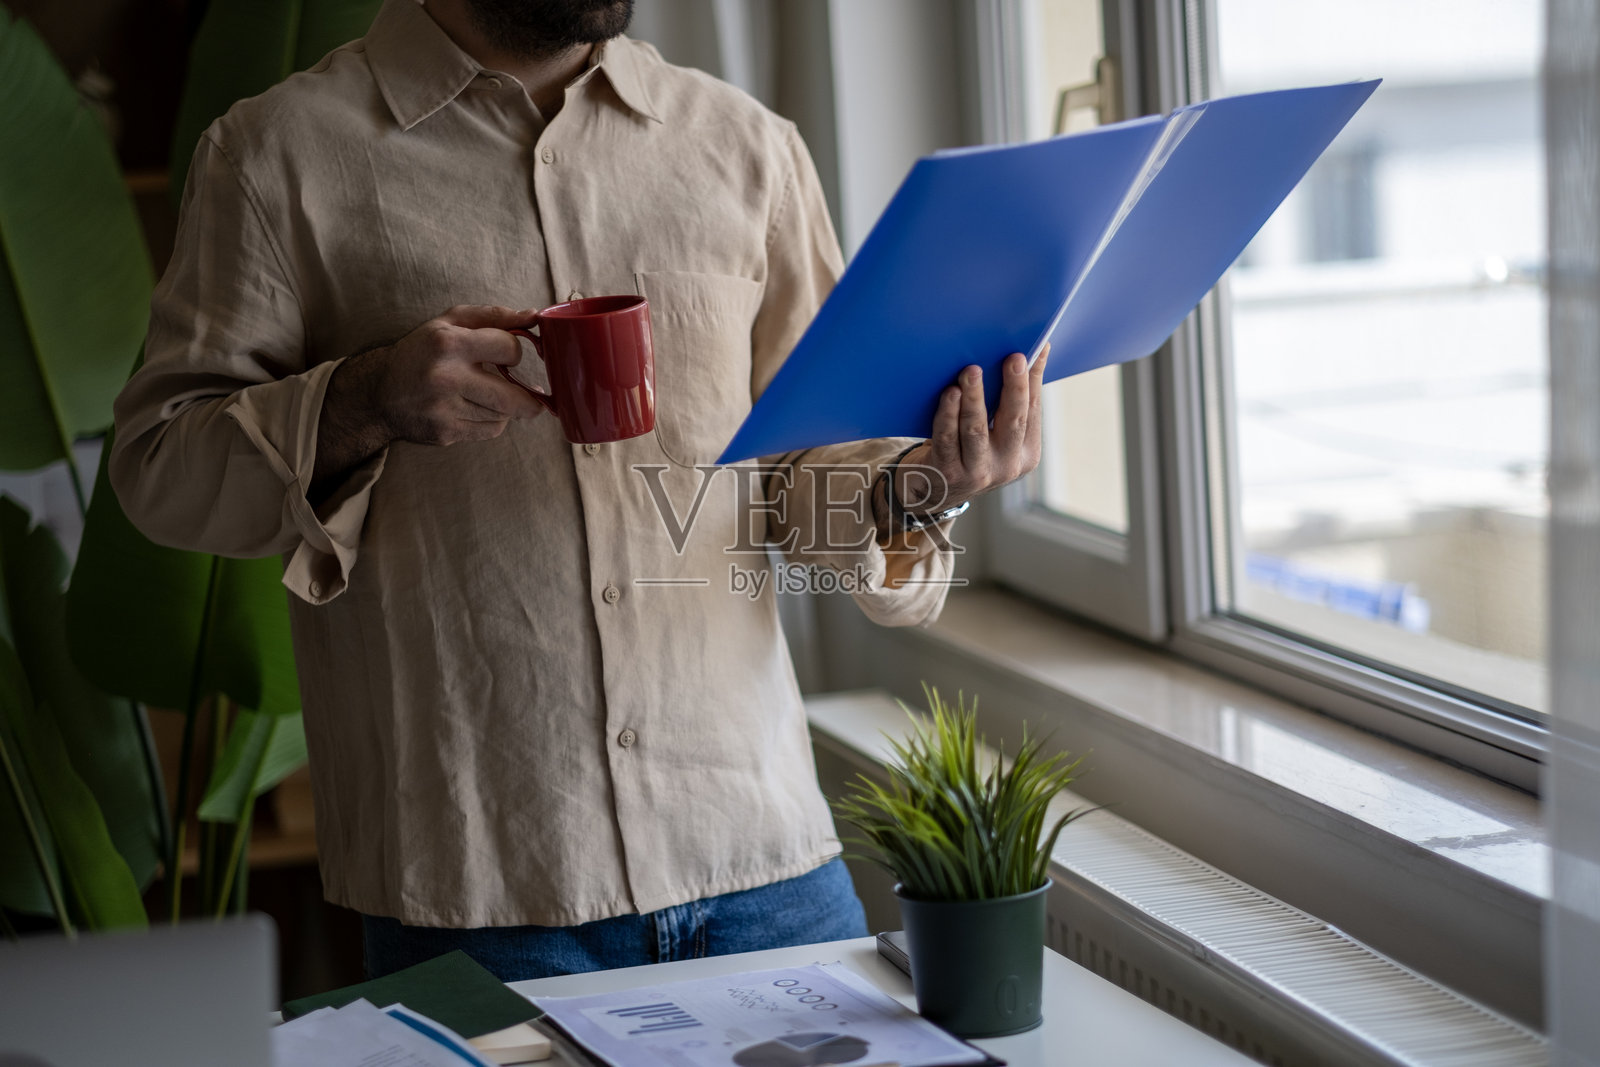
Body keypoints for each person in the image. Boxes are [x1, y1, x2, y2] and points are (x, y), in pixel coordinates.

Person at [111, 0, 1048, 981]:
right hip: (483, 899)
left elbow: (801, 475)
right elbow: (160, 467)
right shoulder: (277, 157)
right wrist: (366, 397)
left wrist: (917, 486)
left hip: (763, 867)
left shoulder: (747, 148)